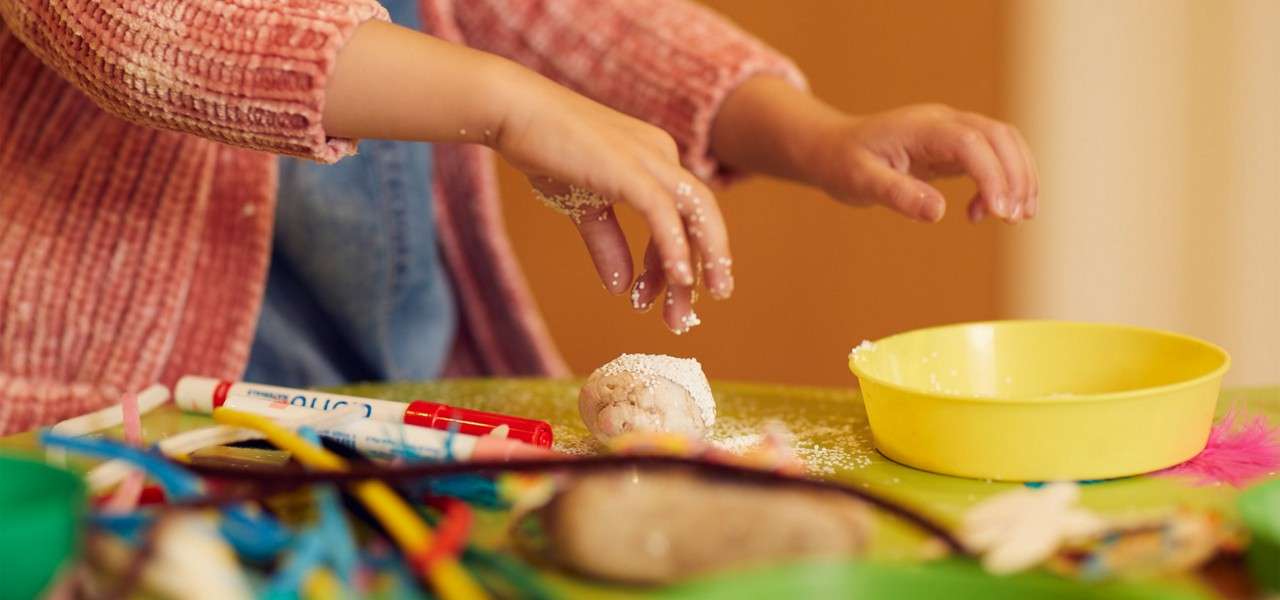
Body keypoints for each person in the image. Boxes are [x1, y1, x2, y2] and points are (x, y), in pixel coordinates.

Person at [0, 0, 1037, 433]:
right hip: (109, 425)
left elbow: (562, 16)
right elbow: (157, 30)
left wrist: (811, 133)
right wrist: (510, 107)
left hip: (391, 407)